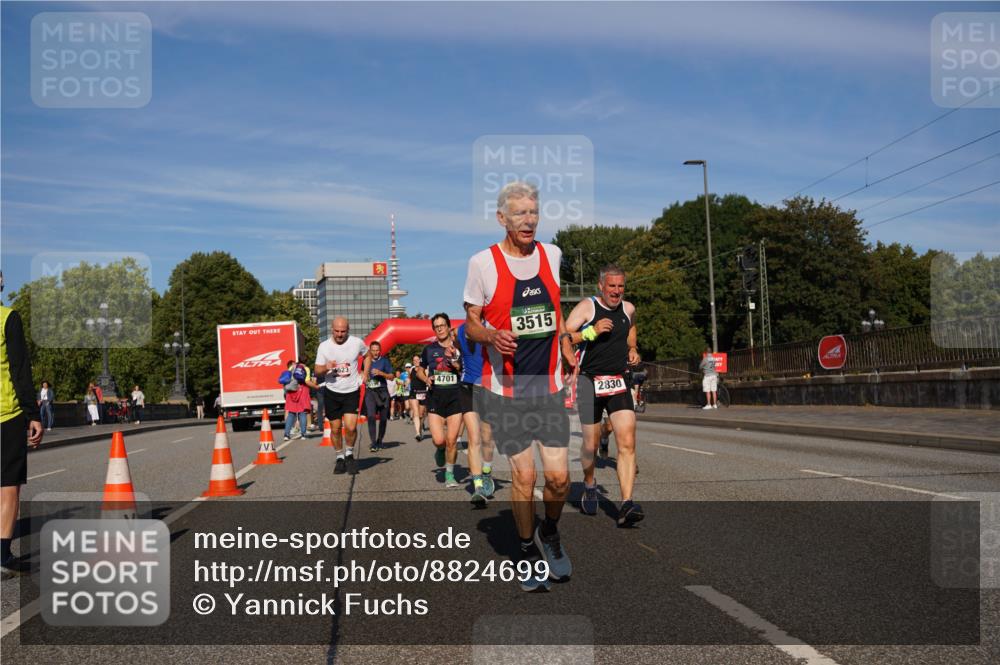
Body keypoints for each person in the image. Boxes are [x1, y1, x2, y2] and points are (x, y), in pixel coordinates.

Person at [464, 180, 575, 592]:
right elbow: (471, 323)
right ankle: (527, 550)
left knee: (560, 480)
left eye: (533, 212)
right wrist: (491, 336)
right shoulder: (483, 264)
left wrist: (563, 341)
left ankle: (550, 531)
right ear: (502, 218)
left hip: (548, 386)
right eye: (519, 214)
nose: (528, 221)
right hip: (507, 390)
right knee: (525, 477)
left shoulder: (552, 254)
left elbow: (554, 309)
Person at [563, 265, 644, 526]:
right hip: (589, 381)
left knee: (628, 441)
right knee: (590, 445)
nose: (617, 291)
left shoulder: (628, 309)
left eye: (621, 286)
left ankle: (627, 504)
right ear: (601, 286)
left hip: (618, 380)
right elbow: (563, 337)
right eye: (612, 286)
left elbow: (631, 326)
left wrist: (632, 348)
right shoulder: (587, 307)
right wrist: (591, 332)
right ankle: (589, 485)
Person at [1, 278, 44, 577]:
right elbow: (19, 368)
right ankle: (2, 556)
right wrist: (33, 413)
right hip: (7, 414)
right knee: (7, 488)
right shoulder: (7, 317)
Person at [314, 317, 369, 475]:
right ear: (332, 329)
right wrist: (326, 367)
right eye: (337, 331)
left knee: (351, 427)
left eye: (343, 331)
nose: (339, 334)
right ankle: (339, 457)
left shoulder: (356, 342)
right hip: (332, 391)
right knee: (336, 428)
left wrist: (364, 373)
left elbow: (368, 356)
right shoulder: (324, 346)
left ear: (348, 330)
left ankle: (349, 454)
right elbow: (317, 370)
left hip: (351, 390)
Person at [415, 314, 463, 488]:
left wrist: (454, 359)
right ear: (434, 330)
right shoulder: (429, 350)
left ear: (449, 327)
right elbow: (420, 370)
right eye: (436, 326)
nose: (440, 328)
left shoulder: (458, 347)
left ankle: (450, 474)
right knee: (438, 440)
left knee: (452, 440)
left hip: (455, 397)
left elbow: (461, 369)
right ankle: (440, 449)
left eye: (443, 325)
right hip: (435, 397)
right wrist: (425, 379)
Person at [456, 320, 495, 506]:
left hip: (488, 387)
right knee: (474, 437)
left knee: (488, 437)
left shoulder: (492, 326)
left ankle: (486, 471)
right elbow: (457, 345)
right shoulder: (460, 330)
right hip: (467, 386)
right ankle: (478, 487)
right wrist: (454, 356)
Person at [363, 341, 393, 452]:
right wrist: (363, 375)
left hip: (383, 392)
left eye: (377, 350)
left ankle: (380, 440)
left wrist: (381, 373)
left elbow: (391, 376)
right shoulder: (367, 361)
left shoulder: (385, 361)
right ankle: (373, 443)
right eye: (373, 350)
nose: (375, 352)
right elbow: (362, 372)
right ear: (370, 351)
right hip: (370, 391)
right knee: (371, 416)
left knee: (383, 418)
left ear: (380, 351)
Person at [281, 361, 311, 441]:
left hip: (291, 392)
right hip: (302, 391)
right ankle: (303, 434)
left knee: (291, 413)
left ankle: (286, 434)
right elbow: (307, 381)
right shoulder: (306, 368)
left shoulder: (291, 367)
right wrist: (316, 386)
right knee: (302, 413)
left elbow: (286, 379)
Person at [407, 355, 428, 441]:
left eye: (417, 360)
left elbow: (427, 379)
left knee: (421, 414)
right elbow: (409, 379)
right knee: (415, 412)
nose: (416, 361)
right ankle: (417, 433)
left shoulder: (424, 369)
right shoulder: (411, 369)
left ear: (420, 360)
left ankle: (420, 428)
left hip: (422, 392)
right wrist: (406, 382)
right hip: (413, 392)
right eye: (414, 360)